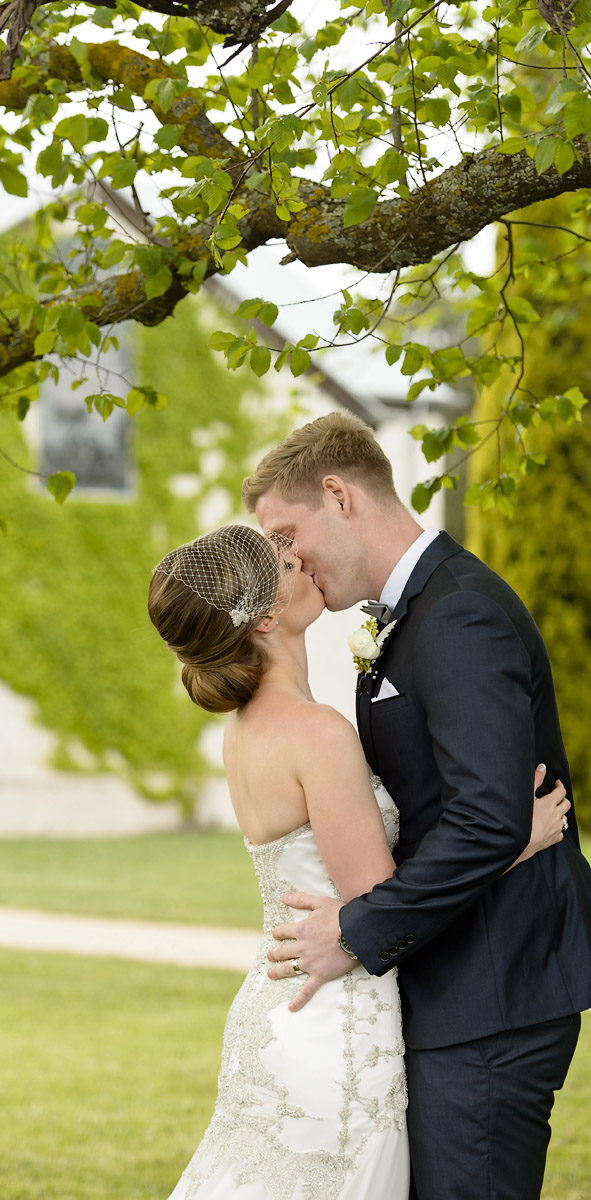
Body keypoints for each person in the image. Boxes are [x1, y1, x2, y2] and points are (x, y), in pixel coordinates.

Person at [147, 522, 568, 1199]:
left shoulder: (246, 729)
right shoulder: (315, 733)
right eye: (285, 565)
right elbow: (378, 901)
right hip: (335, 1021)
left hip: (283, 1002)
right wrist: (510, 843)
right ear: (263, 619)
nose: (303, 562)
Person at [242, 410, 591, 1200]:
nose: (285, 559)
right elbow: (456, 813)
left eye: (287, 533)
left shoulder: (457, 612)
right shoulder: (407, 618)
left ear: (339, 495)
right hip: (448, 985)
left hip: (489, 996)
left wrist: (354, 932)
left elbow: (486, 814)